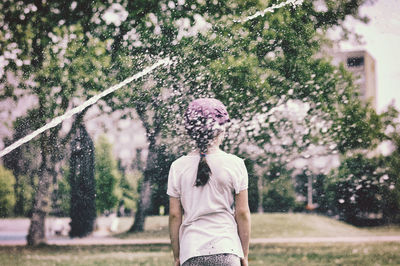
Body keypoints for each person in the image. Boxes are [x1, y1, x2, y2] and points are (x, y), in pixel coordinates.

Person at [168, 98, 251, 266]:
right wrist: (244, 254)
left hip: (192, 251)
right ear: (221, 130)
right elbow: (242, 213)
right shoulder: (235, 164)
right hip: (227, 249)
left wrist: (177, 256)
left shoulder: (178, 167)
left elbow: (175, 215)